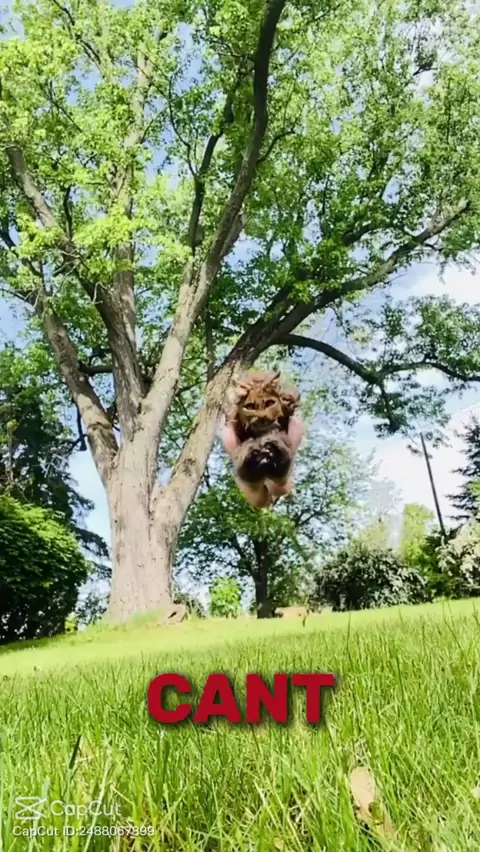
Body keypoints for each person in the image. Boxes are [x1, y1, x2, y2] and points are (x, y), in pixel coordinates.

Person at [220, 415, 305, 508]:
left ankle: (273, 483)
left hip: (267, 444)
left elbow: (295, 426)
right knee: (264, 498)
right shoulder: (233, 440)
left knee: (278, 490)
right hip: (251, 448)